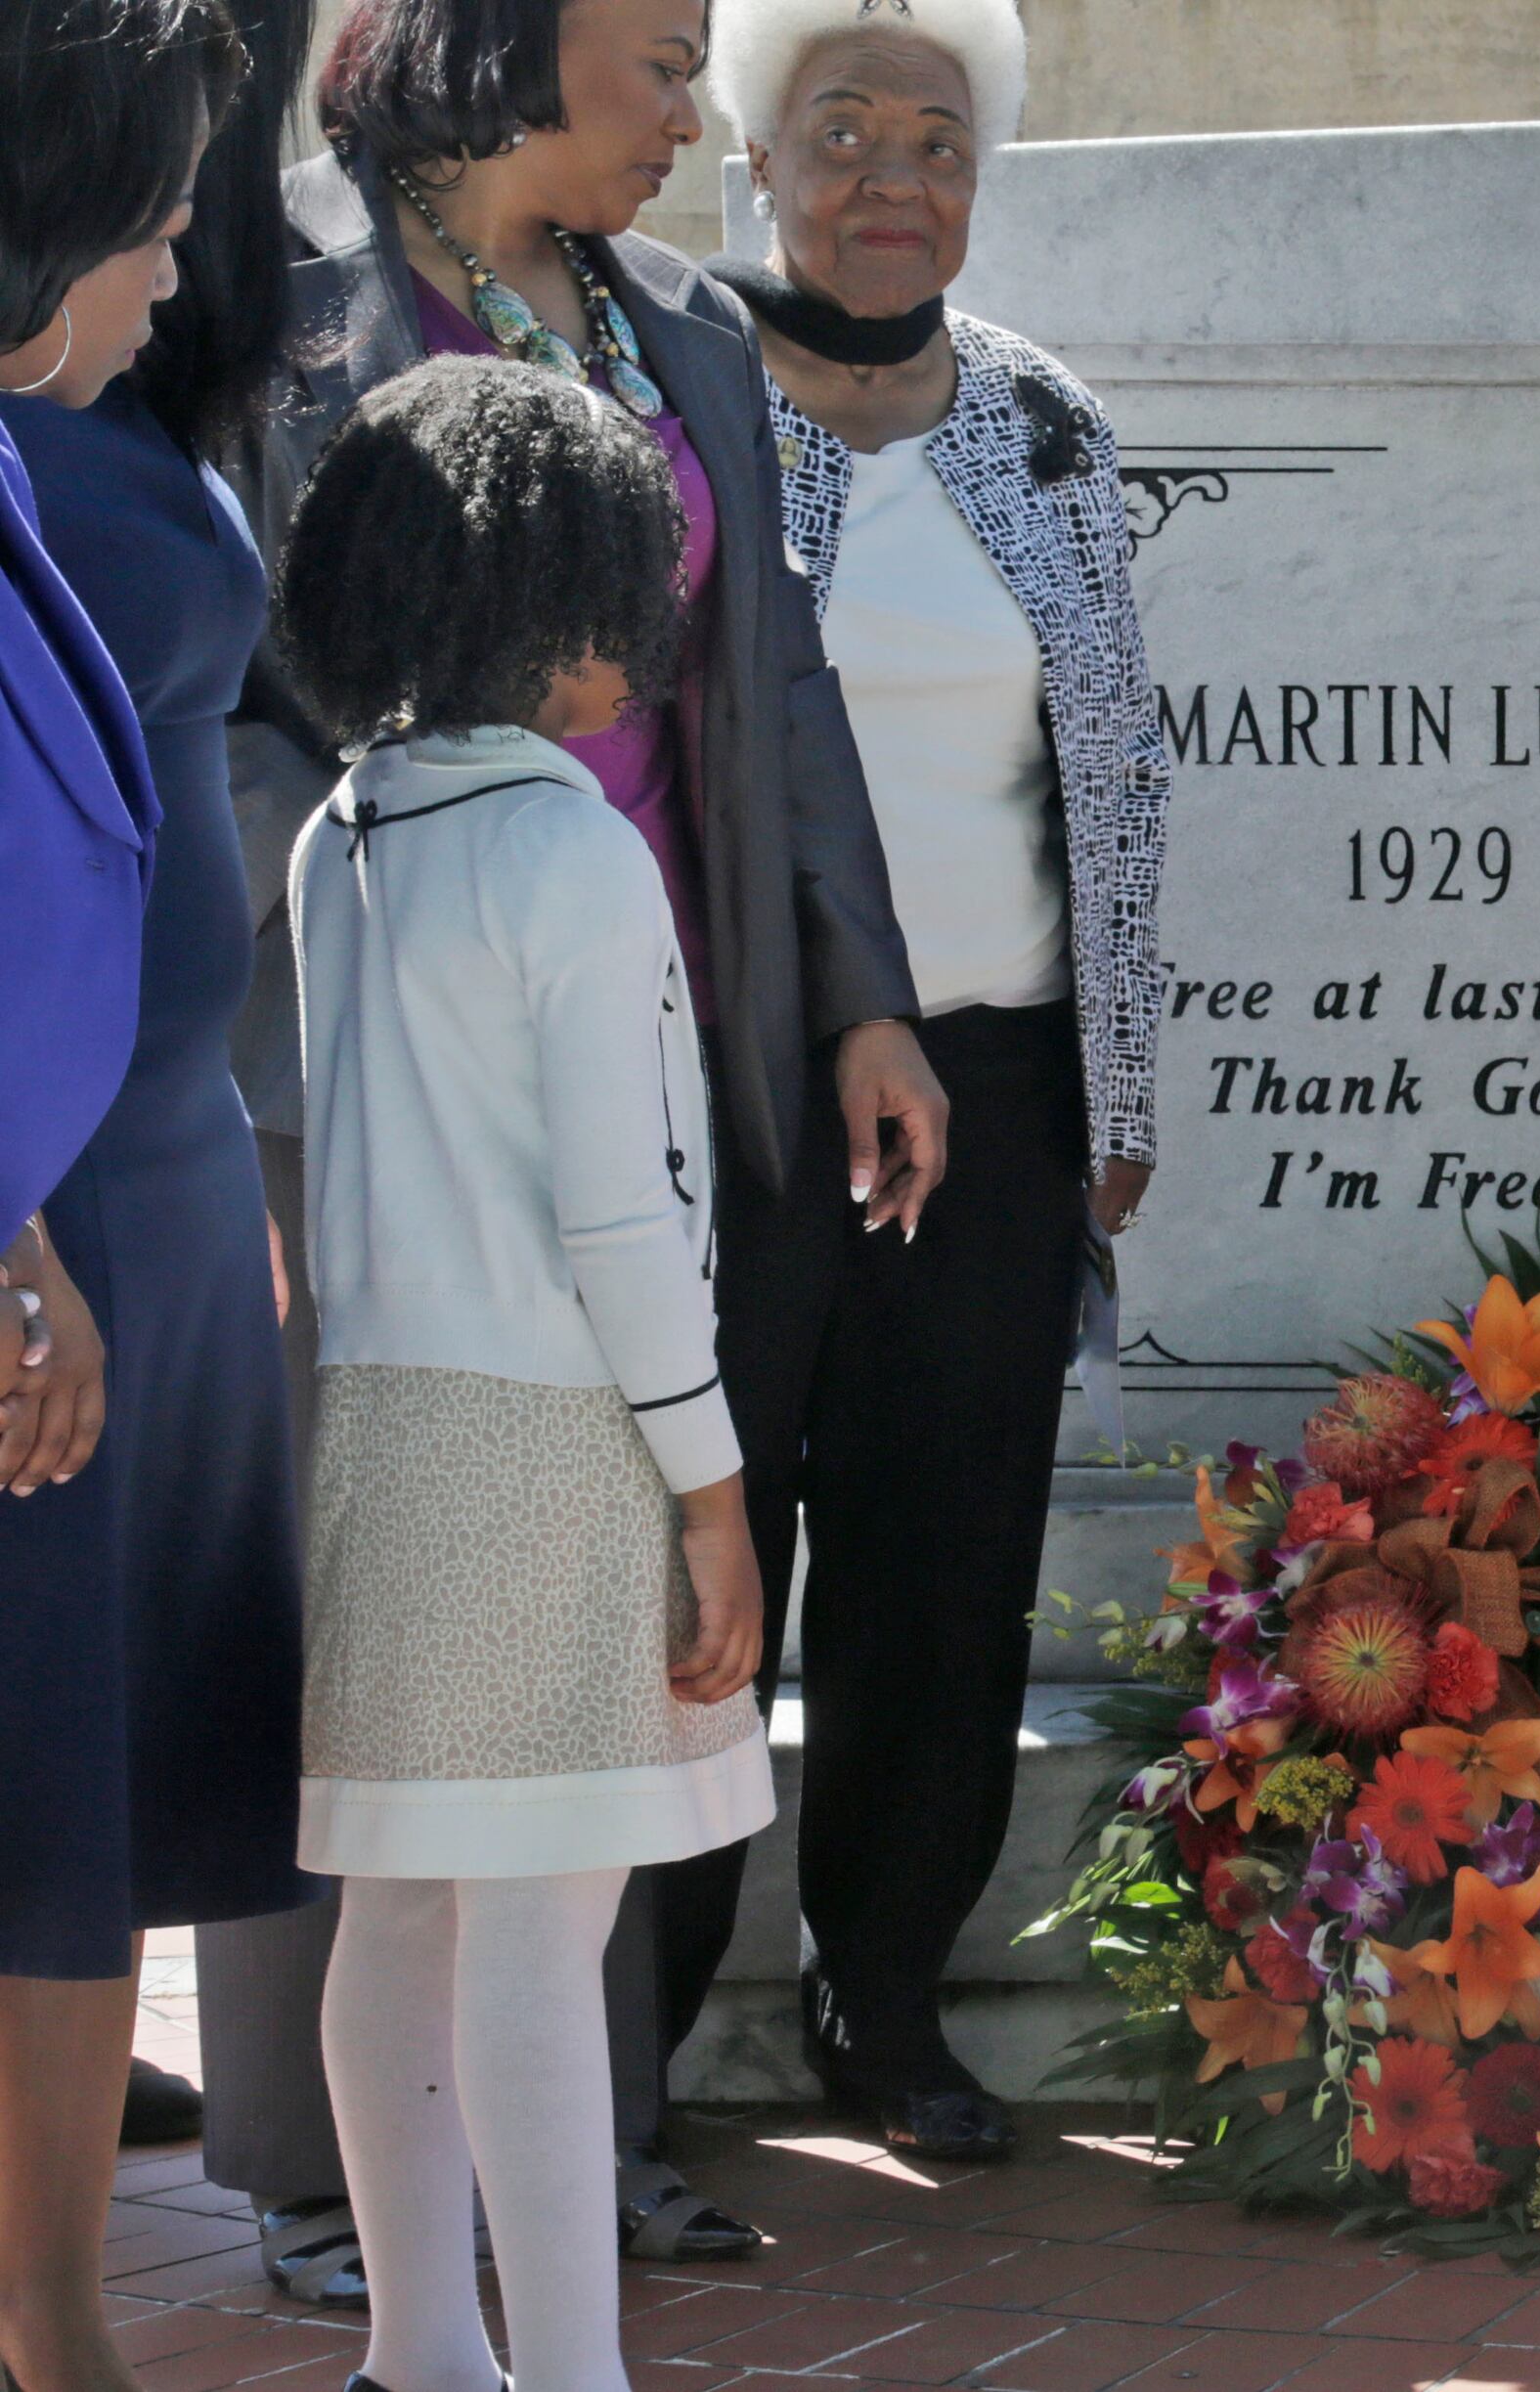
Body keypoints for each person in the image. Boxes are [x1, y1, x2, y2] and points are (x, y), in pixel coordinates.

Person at [204, 0, 946, 2278]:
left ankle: (575, 2138)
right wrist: (308, 1036)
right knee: (387, 1622)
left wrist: (860, 993)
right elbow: (232, 701)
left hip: (647, 1010)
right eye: (653, 54)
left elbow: (779, 681)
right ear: (498, 48)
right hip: (364, 1057)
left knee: (589, 1594)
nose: (694, 109)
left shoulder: (690, 327)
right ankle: (335, 2187)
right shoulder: (283, 297)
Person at [661, 0, 1165, 2161]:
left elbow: (1116, 776)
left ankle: (888, 1996)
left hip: (1004, 1086)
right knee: (698, 1556)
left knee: (945, 1564)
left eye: (936, 138)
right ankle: (632, 2025)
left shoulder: (1049, 420)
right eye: (839, 130)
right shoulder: (665, 398)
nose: (890, 176)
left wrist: (1116, 1078)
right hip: (732, 1097)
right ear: (756, 158)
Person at [280, 353, 774, 2392]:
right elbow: (622, 1220)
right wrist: (716, 1484)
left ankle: (423, 2351)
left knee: (402, 1912)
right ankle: (565, 2364)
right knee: (543, 1935)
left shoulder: (340, 830)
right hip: (560, 1437)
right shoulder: (571, 856)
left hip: (385, 1424)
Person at [0, 0, 322, 2166]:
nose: (191, 247)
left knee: (101, 1790)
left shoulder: (75, 425)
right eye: (157, 210)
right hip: (59, 1204)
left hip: (153, 1173)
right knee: (50, 1786)